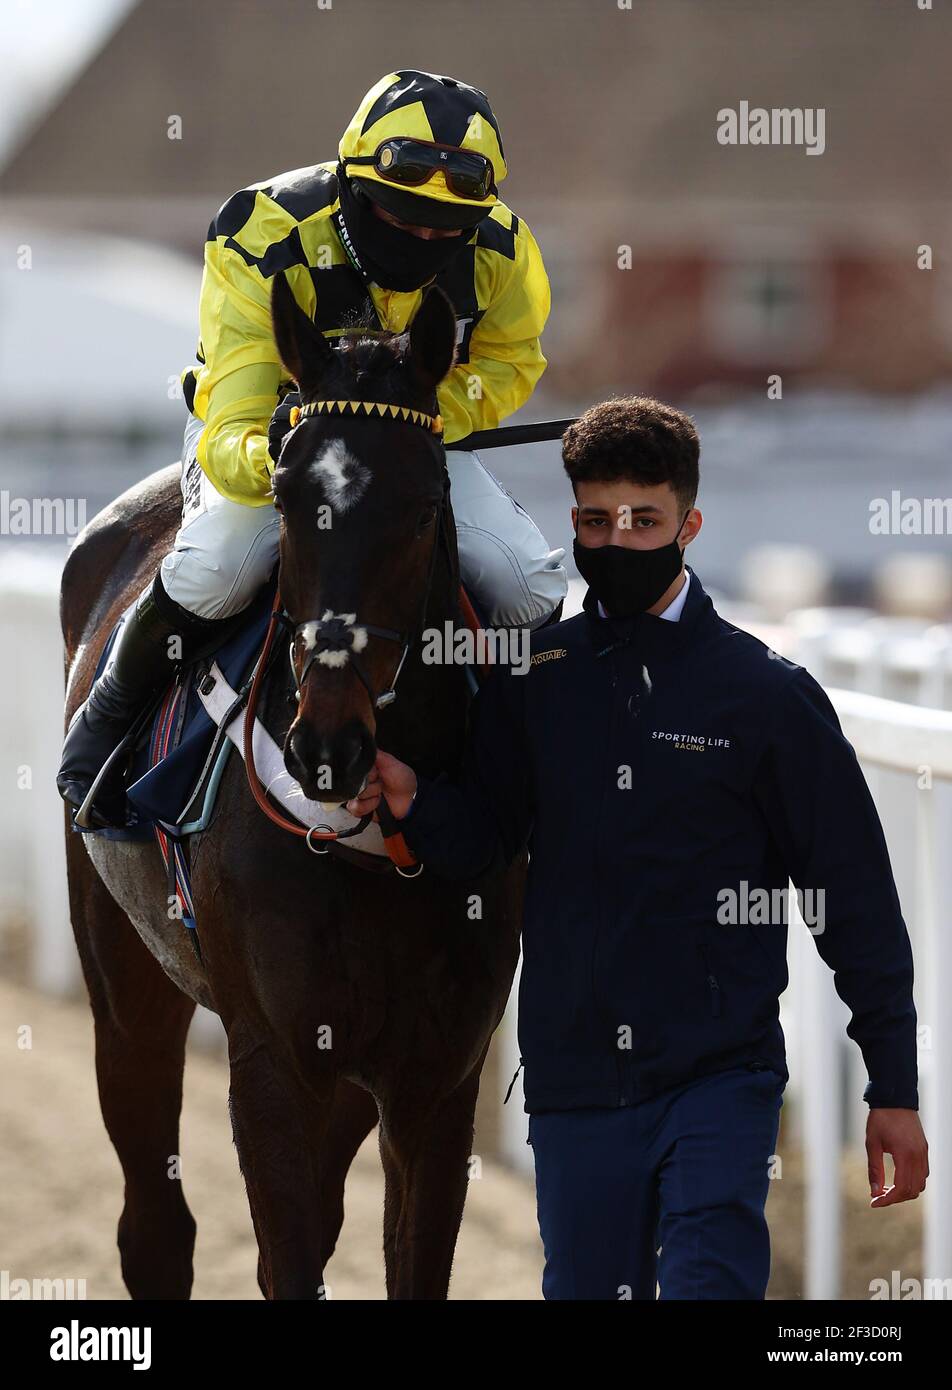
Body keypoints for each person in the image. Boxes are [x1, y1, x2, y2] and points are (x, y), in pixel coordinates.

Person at [347, 395, 929, 1300]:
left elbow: (852, 902)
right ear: (571, 518)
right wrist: (412, 802)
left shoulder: (767, 697)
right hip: (573, 1085)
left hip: (721, 1081)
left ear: (689, 523)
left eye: (642, 521)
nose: (615, 541)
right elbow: (486, 840)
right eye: (593, 520)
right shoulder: (534, 679)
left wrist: (892, 1086)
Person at [58, 69, 566, 818]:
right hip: (272, 435)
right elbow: (235, 416)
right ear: (356, 189)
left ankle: (524, 767)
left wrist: (411, 419)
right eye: (402, 219)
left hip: (412, 440)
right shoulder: (261, 229)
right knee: (217, 567)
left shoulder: (504, 248)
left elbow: (510, 365)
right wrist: (293, 448)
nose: (425, 237)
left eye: (442, 230)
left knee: (529, 584)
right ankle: (103, 723)